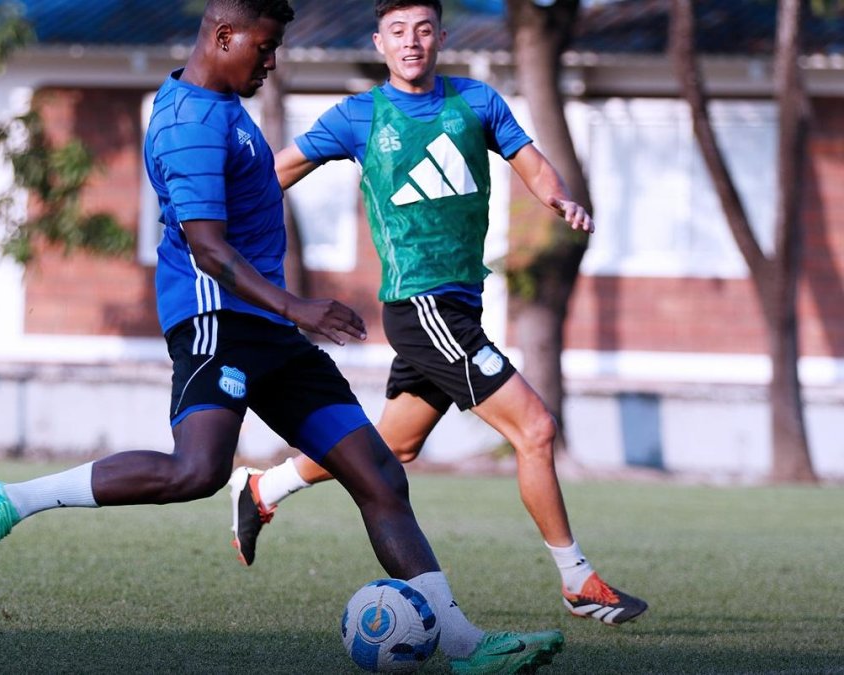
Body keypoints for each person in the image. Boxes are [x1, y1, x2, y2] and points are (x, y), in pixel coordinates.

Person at [0, 0, 565, 671]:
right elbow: (209, 249)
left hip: (270, 328)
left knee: (380, 474)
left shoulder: (221, 104)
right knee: (196, 470)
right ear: (224, 36)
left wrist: (285, 313)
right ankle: (12, 500)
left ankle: (462, 644)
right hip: (217, 320)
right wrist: (296, 305)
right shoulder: (187, 122)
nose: (272, 63)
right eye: (266, 48)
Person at [228, 0, 648, 627]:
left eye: (423, 30)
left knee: (392, 446)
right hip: (420, 304)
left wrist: (558, 198)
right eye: (398, 31)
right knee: (534, 429)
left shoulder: (476, 103)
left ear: (440, 38)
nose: (412, 42)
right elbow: (277, 170)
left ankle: (264, 488)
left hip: (460, 304)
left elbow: (530, 161)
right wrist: (213, 220)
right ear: (380, 42)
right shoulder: (360, 116)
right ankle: (577, 580)